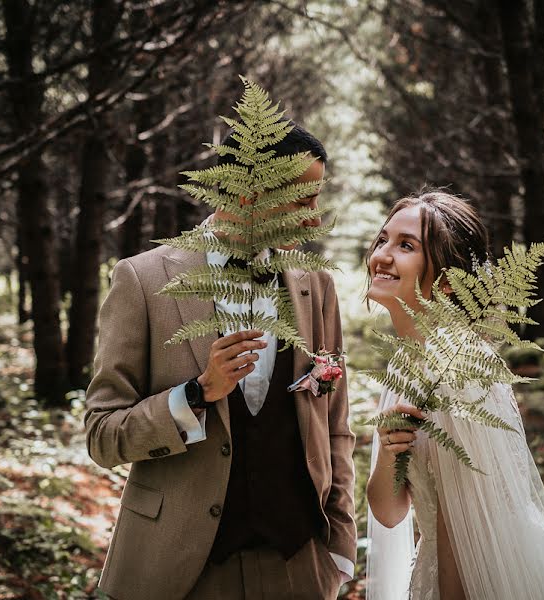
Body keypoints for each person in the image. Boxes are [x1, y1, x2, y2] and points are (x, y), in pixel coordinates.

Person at [85, 123, 356, 600]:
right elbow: (103, 436)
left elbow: (335, 426)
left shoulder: (318, 286)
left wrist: (339, 547)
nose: (315, 221)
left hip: (300, 566)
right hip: (181, 571)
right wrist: (196, 394)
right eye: (302, 201)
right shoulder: (142, 282)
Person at [365, 191, 544, 599]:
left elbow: (466, 531)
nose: (382, 254)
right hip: (436, 571)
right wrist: (387, 453)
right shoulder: (405, 362)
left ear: (449, 282)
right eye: (383, 239)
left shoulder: (460, 370)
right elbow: (389, 512)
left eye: (406, 246)